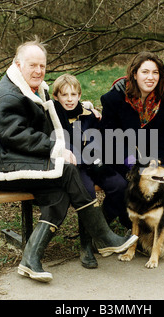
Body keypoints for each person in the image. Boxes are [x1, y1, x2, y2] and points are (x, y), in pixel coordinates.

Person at [0, 38, 137, 282]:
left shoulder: (30, 88)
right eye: (33, 65)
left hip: (18, 160)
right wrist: (56, 148)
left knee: (58, 196)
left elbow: (60, 111)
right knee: (69, 169)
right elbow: (14, 135)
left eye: (42, 65)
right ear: (17, 65)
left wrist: (84, 107)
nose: (38, 70)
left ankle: (30, 260)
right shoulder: (7, 95)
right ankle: (103, 236)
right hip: (2, 165)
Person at [52, 73, 129, 268]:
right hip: (74, 168)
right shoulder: (53, 117)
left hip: (94, 163)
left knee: (120, 186)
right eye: (64, 95)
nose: (69, 99)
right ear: (56, 97)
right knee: (86, 192)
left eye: (73, 94)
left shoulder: (89, 115)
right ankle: (86, 245)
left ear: (79, 95)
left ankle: (101, 229)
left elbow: (99, 141)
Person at [100, 51, 164, 227]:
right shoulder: (115, 99)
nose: (150, 77)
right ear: (134, 74)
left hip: (149, 158)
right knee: (130, 184)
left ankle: (154, 230)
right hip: (117, 156)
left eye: (155, 72)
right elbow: (108, 138)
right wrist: (133, 162)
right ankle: (101, 227)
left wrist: (157, 161)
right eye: (145, 72)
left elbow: (163, 138)